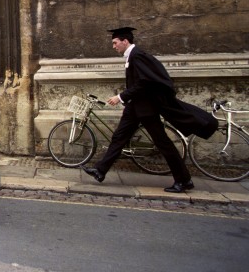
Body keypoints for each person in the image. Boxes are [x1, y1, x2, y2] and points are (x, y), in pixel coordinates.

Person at [81, 27, 216, 193]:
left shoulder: (138, 55)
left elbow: (145, 83)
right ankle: (100, 170)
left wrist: (121, 97)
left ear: (125, 41)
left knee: (163, 143)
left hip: (146, 108)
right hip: (136, 107)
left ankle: (184, 180)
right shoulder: (133, 56)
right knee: (119, 137)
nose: (113, 46)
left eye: (115, 43)